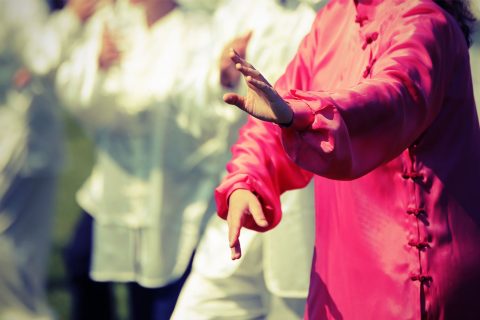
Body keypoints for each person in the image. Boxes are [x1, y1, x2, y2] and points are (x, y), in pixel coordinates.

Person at [215, 0, 480, 319]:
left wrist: (304, 114)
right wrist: (247, 178)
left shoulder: (426, 21)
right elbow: (276, 111)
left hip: (413, 283)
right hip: (338, 283)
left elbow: (391, 100)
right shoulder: (333, 18)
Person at [56, 0, 228, 318]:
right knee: (82, 261)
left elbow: (197, 105)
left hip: (170, 182)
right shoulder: (114, 24)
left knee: (156, 285)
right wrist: (97, 64)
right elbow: (80, 100)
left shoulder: (198, 32)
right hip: (114, 180)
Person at [171, 0, 319, 319]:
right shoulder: (238, 11)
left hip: (309, 226)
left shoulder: (331, 17)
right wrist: (220, 79)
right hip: (237, 210)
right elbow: (186, 108)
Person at [0, 0, 98, 319]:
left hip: (22, 132)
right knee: (17, 243)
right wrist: (72, 18)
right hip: (21, 138)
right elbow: (40, 57)